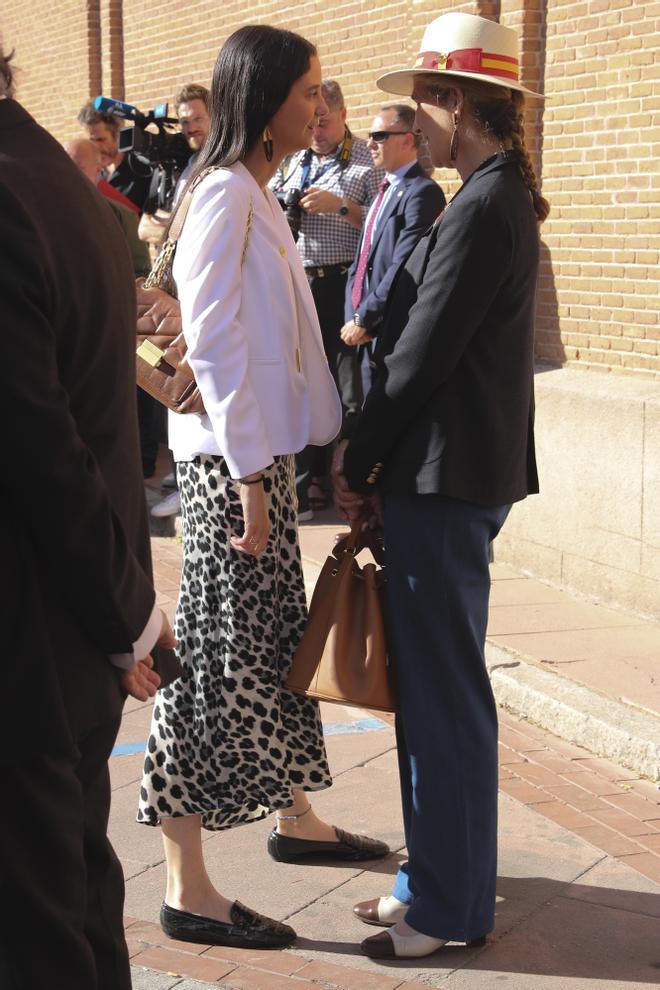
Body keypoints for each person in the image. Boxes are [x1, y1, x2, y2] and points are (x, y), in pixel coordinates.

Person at [136, 24, 389, 952]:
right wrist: (251, 477)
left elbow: (283, 344)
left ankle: (297, 820)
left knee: (276, 650)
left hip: (260, 466)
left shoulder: (252, 188)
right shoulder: (225, 197)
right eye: (309, 89)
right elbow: (215, 345)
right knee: (206, 670)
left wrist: (306, 447)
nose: (321, 105)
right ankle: (187, 887)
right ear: (268, 94)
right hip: (229, 472)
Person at [333, 11, 548, 960]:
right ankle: (433, 879)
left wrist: (358, 458)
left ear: (456, 102)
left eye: (421, 100)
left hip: (445, 479)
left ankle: (452, 908)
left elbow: (419, 358)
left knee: (445, 700)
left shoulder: (484, 204)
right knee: (431, 696)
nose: (411, 120)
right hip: (444, 476)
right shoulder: (487, 195)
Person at [0, 47, 177, 990]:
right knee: (74, 895)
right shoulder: (53, 180)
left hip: (31, 637)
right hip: (68, 631)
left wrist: (126, 616)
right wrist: (125, 614)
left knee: (38, 933)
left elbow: (41, 445)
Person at [270, 80, 382, 517]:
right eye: (313, 122)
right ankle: (304, 484)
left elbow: (377, 229)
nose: (316, 130)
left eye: (325, 122)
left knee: (344, 384)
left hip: (342, 282)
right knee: (298, 378)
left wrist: (340, 206)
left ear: (344, 115)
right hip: (300, 280)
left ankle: (343, 483)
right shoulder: (293, 161)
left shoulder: (364, 164)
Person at [341, 103, 446, 393]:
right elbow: (362, 260)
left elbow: (403, 265)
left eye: (379, 136)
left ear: (408, 139)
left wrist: (365, 316)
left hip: (391, 330)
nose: (370, 144)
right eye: (370, 136)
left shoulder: (422, 193)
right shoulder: (384, 189)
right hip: (366, 331)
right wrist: (354, 314)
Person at [149, 83, 212, 520]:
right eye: (184, 119)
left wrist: (165, 229)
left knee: (191, 381)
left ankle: (199, 482)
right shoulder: (189, 163)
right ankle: (183, 477)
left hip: (199, 292)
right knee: (166, 375)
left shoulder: (220, 166)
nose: (189, 126)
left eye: (196, 117)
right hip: (173, 291)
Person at [66, 136, 151, 277]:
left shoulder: (121, 215)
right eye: (65, 166)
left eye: (78, 167)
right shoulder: (44, 212)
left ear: (98, 170)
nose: (69, 173)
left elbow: (140, 274)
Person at [78, 100, 154, 212]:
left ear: (118, 134)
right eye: (91, 141)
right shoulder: (92, 173)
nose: (96, 147)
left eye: (101, 140)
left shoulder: (142, 169)